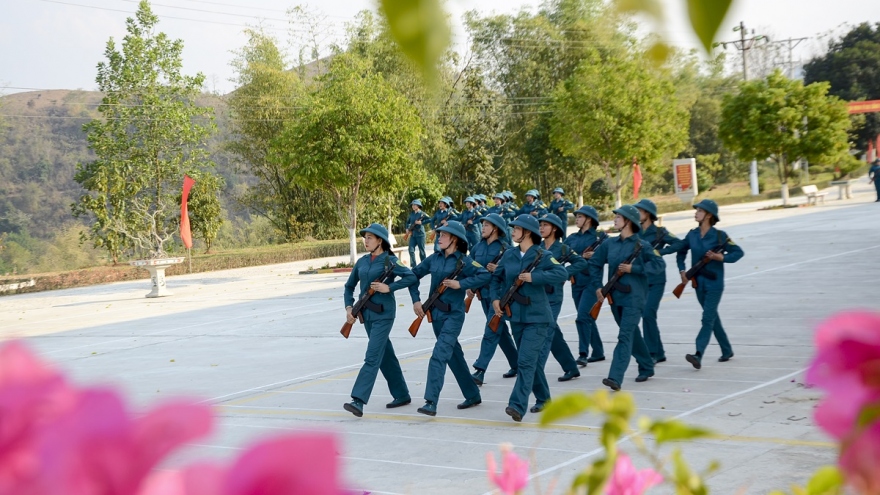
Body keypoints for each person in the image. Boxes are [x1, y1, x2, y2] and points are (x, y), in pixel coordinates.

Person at [490, 215, 568, 421]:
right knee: (529, 361)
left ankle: (517, 405)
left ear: (527, 232)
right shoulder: (509, 255)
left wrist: (536, 277)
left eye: (516, 228)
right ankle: (544, 398)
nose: (513, 231)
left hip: (538, 318)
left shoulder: (542, 255)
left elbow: (561, 273)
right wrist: (495, 298)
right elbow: (496, 278)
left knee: (524, 361)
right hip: (516, 317)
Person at [411, 221, 489, 416]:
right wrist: (416, 300)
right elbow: (413, 276)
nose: (439, 238)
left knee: (439, 354)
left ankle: (431, 401)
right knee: (454, 356)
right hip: (435, 315)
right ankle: (472, 394)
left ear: (454, 238)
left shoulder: (465, 261)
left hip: (454, 315)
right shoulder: (434, 259)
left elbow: (485, 275)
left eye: (443, 235)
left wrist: (460, 284)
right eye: (439, 235)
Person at [342, 224, 418, 417]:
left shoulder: (390, 261)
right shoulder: (362, 262)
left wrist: (389, 288)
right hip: (366, 314)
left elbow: (411, 277)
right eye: (365, 237)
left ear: (380, 241)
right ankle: (401, 394)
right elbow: (349, 287)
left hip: (384, 314)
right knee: (385, 355)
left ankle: (358, 400)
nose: (365, 241)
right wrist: (349, 307)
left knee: (372, 356)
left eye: (369, 238)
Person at [588, 205, 663, 391]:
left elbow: (659, 265)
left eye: (618, 217)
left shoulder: (642, 246)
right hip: (615, 297)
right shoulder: (609, 244)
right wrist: (598, 286)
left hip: (634, 298)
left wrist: (635, 269)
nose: (614, 219)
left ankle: (615, 377)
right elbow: (595, 264)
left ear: (628, 221)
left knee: (624, 336)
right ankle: (646, 365)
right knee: (632, 334)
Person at [675, 199, 744, 370]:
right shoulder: (692, 235)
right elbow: (681, 252)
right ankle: (727, 350)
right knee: (712, 318)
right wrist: (682, 271)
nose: (696, 213)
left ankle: (698, 353)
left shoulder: (720, 236)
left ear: (708, 215)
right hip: (698, 284)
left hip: (715, 284)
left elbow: (738, 253)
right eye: (697, 210)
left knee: (707, 318)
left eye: (699, 211)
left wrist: (722, 257)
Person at [538, 214, 587, 385]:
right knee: (554, 333)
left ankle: (537, 373)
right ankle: (571, 367)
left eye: (545, 225)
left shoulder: (563, 249)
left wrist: (564, 274)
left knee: (545, 333)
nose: (541, 228)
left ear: (555, 229)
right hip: (539, 295)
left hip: (554, 296)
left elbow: (581, 263)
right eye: (541, 225)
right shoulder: (538, 247)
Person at [470, 214, 518, 385]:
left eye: (487, 225)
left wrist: (500, 269)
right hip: (483, 295)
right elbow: (471, 268)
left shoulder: (506, 249)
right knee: (500, 331)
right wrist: (470, 286)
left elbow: (515, 272)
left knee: (491, 330)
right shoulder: (477, 248)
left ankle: (480, 369)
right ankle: (516, 363)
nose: (483, 228)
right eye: (483, 225)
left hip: (498, 296)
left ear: (496, 228)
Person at [633, 199, 680, 364]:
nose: (637, 213)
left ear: (648, 214)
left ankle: (651, 352)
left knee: (648, 314)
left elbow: (679, 244)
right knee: (647, 315)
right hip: (641, 279)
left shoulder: (660, 232)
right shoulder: (635, 232)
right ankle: (659, 352)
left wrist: (660, 252)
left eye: (640, 211)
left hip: (657, 279)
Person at [563, 205, 607, 365]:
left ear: (589, 219)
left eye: (580, 216)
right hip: (576, 283)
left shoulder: (599, 237)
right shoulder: (572, 238)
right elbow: (560, 252)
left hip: (592, 283)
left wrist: (597, 255)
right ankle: (598, 351)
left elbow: (613, 254)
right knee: (588, 317)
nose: (577, 219)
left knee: (582, 317)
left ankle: (583, 353)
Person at [405, 199, 429, 266]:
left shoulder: (422, 214)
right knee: (411, 250)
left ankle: (424, 266)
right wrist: (407, 228)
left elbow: (430, 219)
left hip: (420, 234)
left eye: (414, 205)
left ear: (418, 206)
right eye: (412, 205)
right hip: (413, 235)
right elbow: (407, 222)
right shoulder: (412, 214)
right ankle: (413, 265)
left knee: (421, 251)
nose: (413, 206)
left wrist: (421, 222)